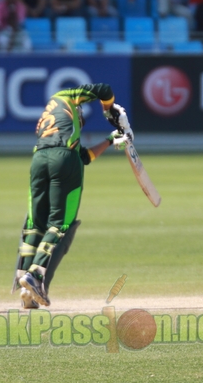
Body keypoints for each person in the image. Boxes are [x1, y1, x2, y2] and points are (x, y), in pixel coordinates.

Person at [13, 84, 131, 308]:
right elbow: (104, 89)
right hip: (64, 158)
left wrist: (110, 138)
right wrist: (109, 112)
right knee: (60, 224)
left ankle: (25, 288)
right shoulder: (67, 96)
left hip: (39, 159)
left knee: (34, 224)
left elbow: (83, 157)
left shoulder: (53, 118)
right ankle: (36, 275)